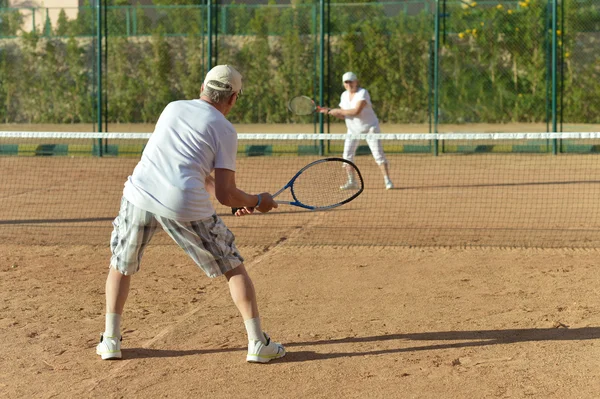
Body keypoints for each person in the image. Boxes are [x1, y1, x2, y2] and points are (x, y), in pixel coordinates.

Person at [96, 65, 286, 364]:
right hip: (183, 203)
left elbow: (192, 170)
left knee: (120, 265)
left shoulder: (172, 108)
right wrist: (258, 200)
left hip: (140, 194)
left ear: (202, 88)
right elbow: (226, 193)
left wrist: (240, 200)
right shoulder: (225, 129)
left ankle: (110, 341)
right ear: (233, 98)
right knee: (233, 268)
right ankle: (257, 343)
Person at [320, 71, 394, 190]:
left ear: (356, 82)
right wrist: (330, 112)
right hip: (352, 130)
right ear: (343, 84)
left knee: (378, 155)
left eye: (351, 81)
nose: (349, 84)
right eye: (346, 82)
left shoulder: (363, 93)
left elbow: (356, 111)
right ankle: (352, 181)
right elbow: (344, 115)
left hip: (370, 128)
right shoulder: (344, 95)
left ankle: (387, 180)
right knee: (347, 156)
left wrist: (335, 110)